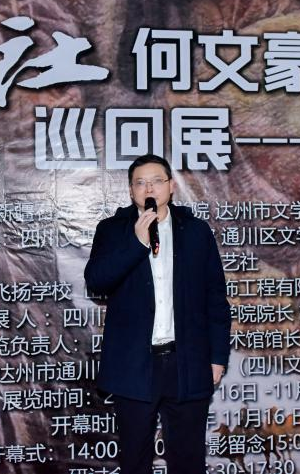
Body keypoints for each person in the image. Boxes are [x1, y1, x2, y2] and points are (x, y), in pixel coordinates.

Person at [84, 154, 231, 474]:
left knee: (188, 460)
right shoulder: (112, 230)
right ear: (131, 191)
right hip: (134, 364)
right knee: (134, 459)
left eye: (156, 181)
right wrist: (136, 243)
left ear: (171, 186)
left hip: (187, 361)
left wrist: (218, 357)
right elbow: (96, 282)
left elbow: (215, 299)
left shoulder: (196, 232)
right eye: (140, 182)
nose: (149, 188)